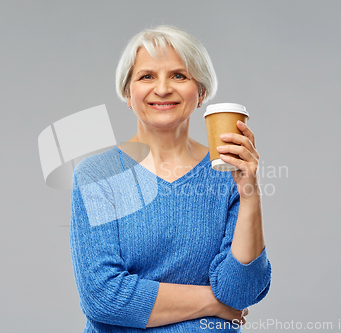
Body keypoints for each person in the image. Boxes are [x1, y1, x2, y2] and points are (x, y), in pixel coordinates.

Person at [69, 25, 271, 332]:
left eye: (179, 75)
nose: (162, 89)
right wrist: (214, 303)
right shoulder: (98, 176)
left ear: (201, 92)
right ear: (127, 92)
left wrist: (249, 194)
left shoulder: (226, 174)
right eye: (147, 76)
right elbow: (104, 297)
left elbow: (240, 292)